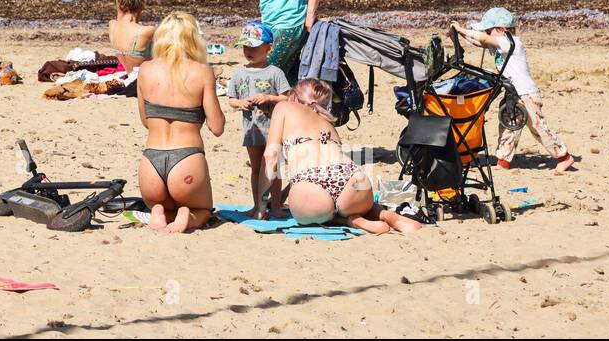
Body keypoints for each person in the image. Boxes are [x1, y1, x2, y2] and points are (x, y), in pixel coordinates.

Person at [265, 79, 421, 234]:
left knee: (317, 212)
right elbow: (325, 169)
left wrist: (262, 203)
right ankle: (383, 214)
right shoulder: (328, 123)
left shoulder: (284, 107)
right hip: (353, 180)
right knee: (360, 205)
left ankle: (348, 221)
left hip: (311, 186)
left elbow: (271, 156)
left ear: (293, 98)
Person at [452, 8, 574, 174]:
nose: (487, 33)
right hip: (512, 93)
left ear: (503, 29)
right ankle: (503, 160)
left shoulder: (511, 43)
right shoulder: (500, 45)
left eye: (489, 30)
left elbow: (483, 38)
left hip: (526, 94)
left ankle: (564, 156)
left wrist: (462, 30)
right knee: (508, 126)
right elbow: (479, 41)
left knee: (538, 128)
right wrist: (460, 33)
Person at [135, 12, 224, 233]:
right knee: (203, 210)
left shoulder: (146, 69)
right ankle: (187, 216)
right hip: (187, 161)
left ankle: (158, 211)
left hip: (151, 165)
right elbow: (217, 127)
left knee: (163, 204)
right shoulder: (203, 72)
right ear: (193, 38)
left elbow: (146, 120)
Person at [225, 20, 291, 219]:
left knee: (274, 169)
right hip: (251, 130)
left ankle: (277, 205)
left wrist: (270, 98)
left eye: (253, 47)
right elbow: (230, 99)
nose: (248, 51)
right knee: (256, 168)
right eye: (245, 46)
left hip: (273, 130)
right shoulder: (239, 74)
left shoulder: (275, 72)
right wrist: (239, 103)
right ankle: (257, 205)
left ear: (268, 48)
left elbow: (286, 97)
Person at [108, 0, 153, 77]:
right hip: (144, 77)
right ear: (141, 5)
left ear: (120, 4)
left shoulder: (112, 25)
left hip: (128, 74)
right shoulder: (147, 31)